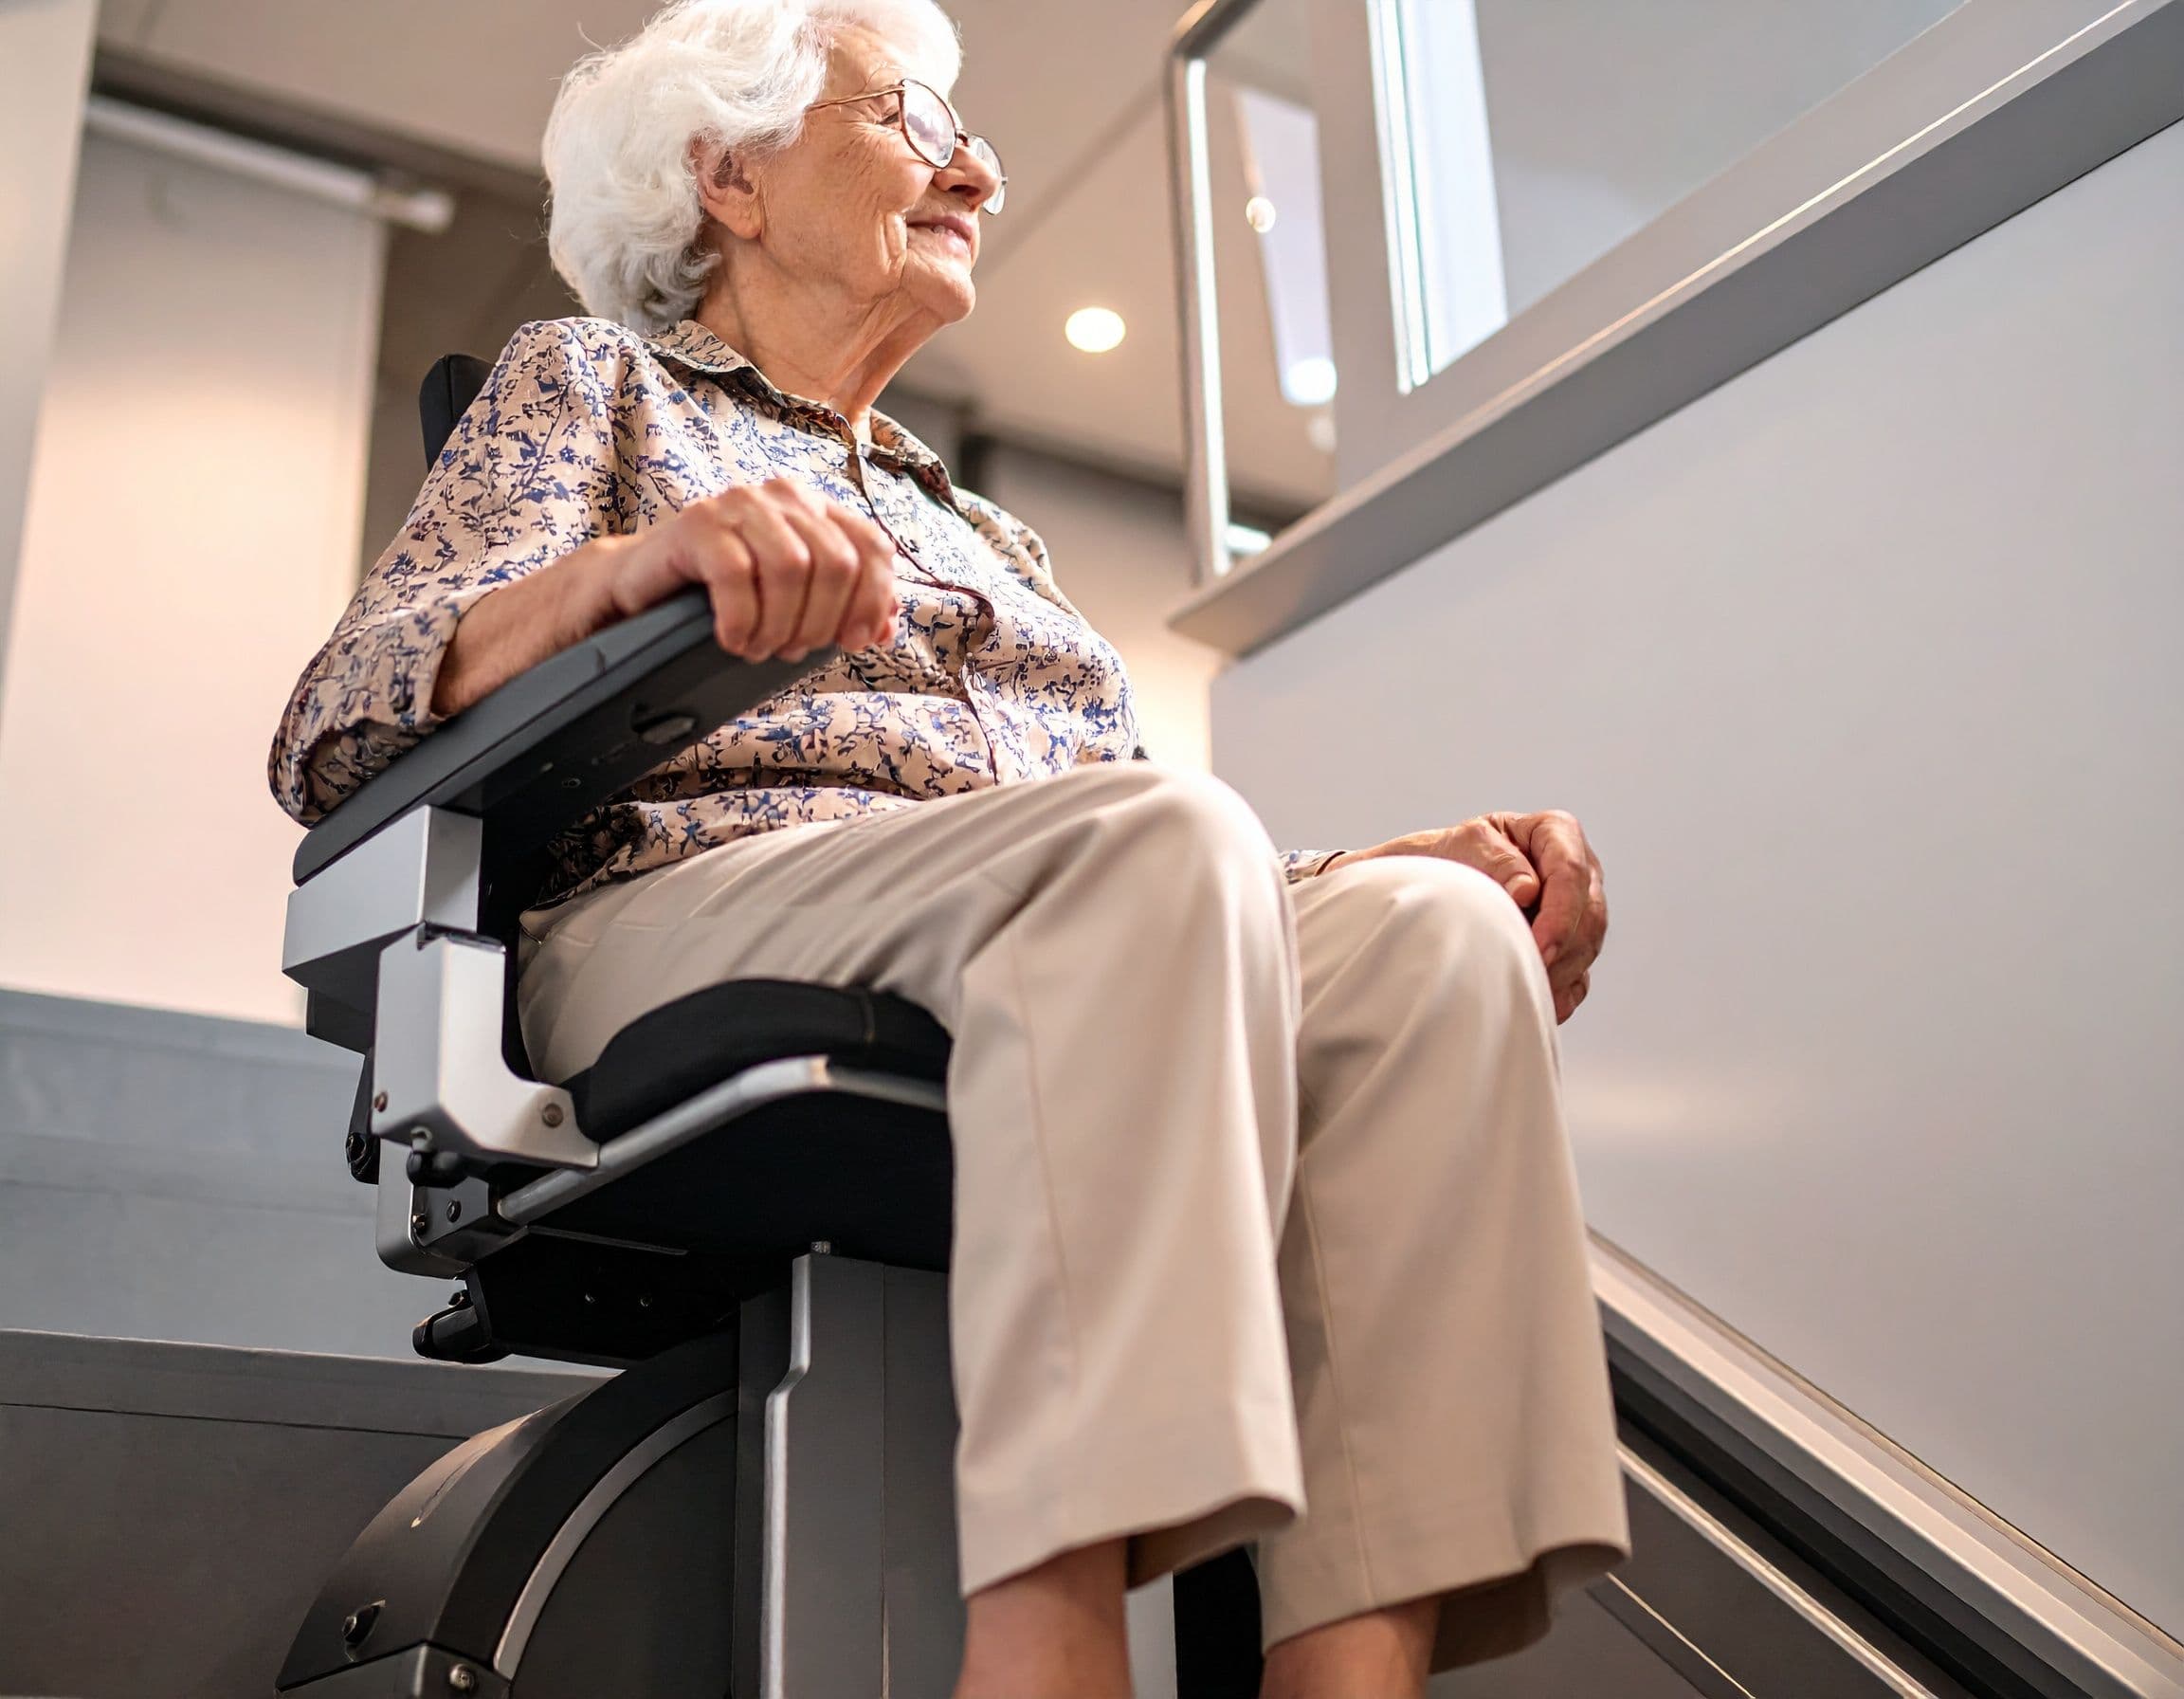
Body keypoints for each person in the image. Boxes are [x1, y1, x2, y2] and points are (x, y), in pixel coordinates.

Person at [266, 2, 1627, 1692]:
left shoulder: (983, 527)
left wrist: (1366, 876)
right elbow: (334, 714)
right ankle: (1047, 1640)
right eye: (915, 117)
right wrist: (610, 579)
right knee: (1158, 843)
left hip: (1014, 901)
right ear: (732, 179)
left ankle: (1347, 1670)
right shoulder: (590, 382)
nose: (976, 164)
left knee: (1433, 938)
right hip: (676, 896)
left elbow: (1140, 865)